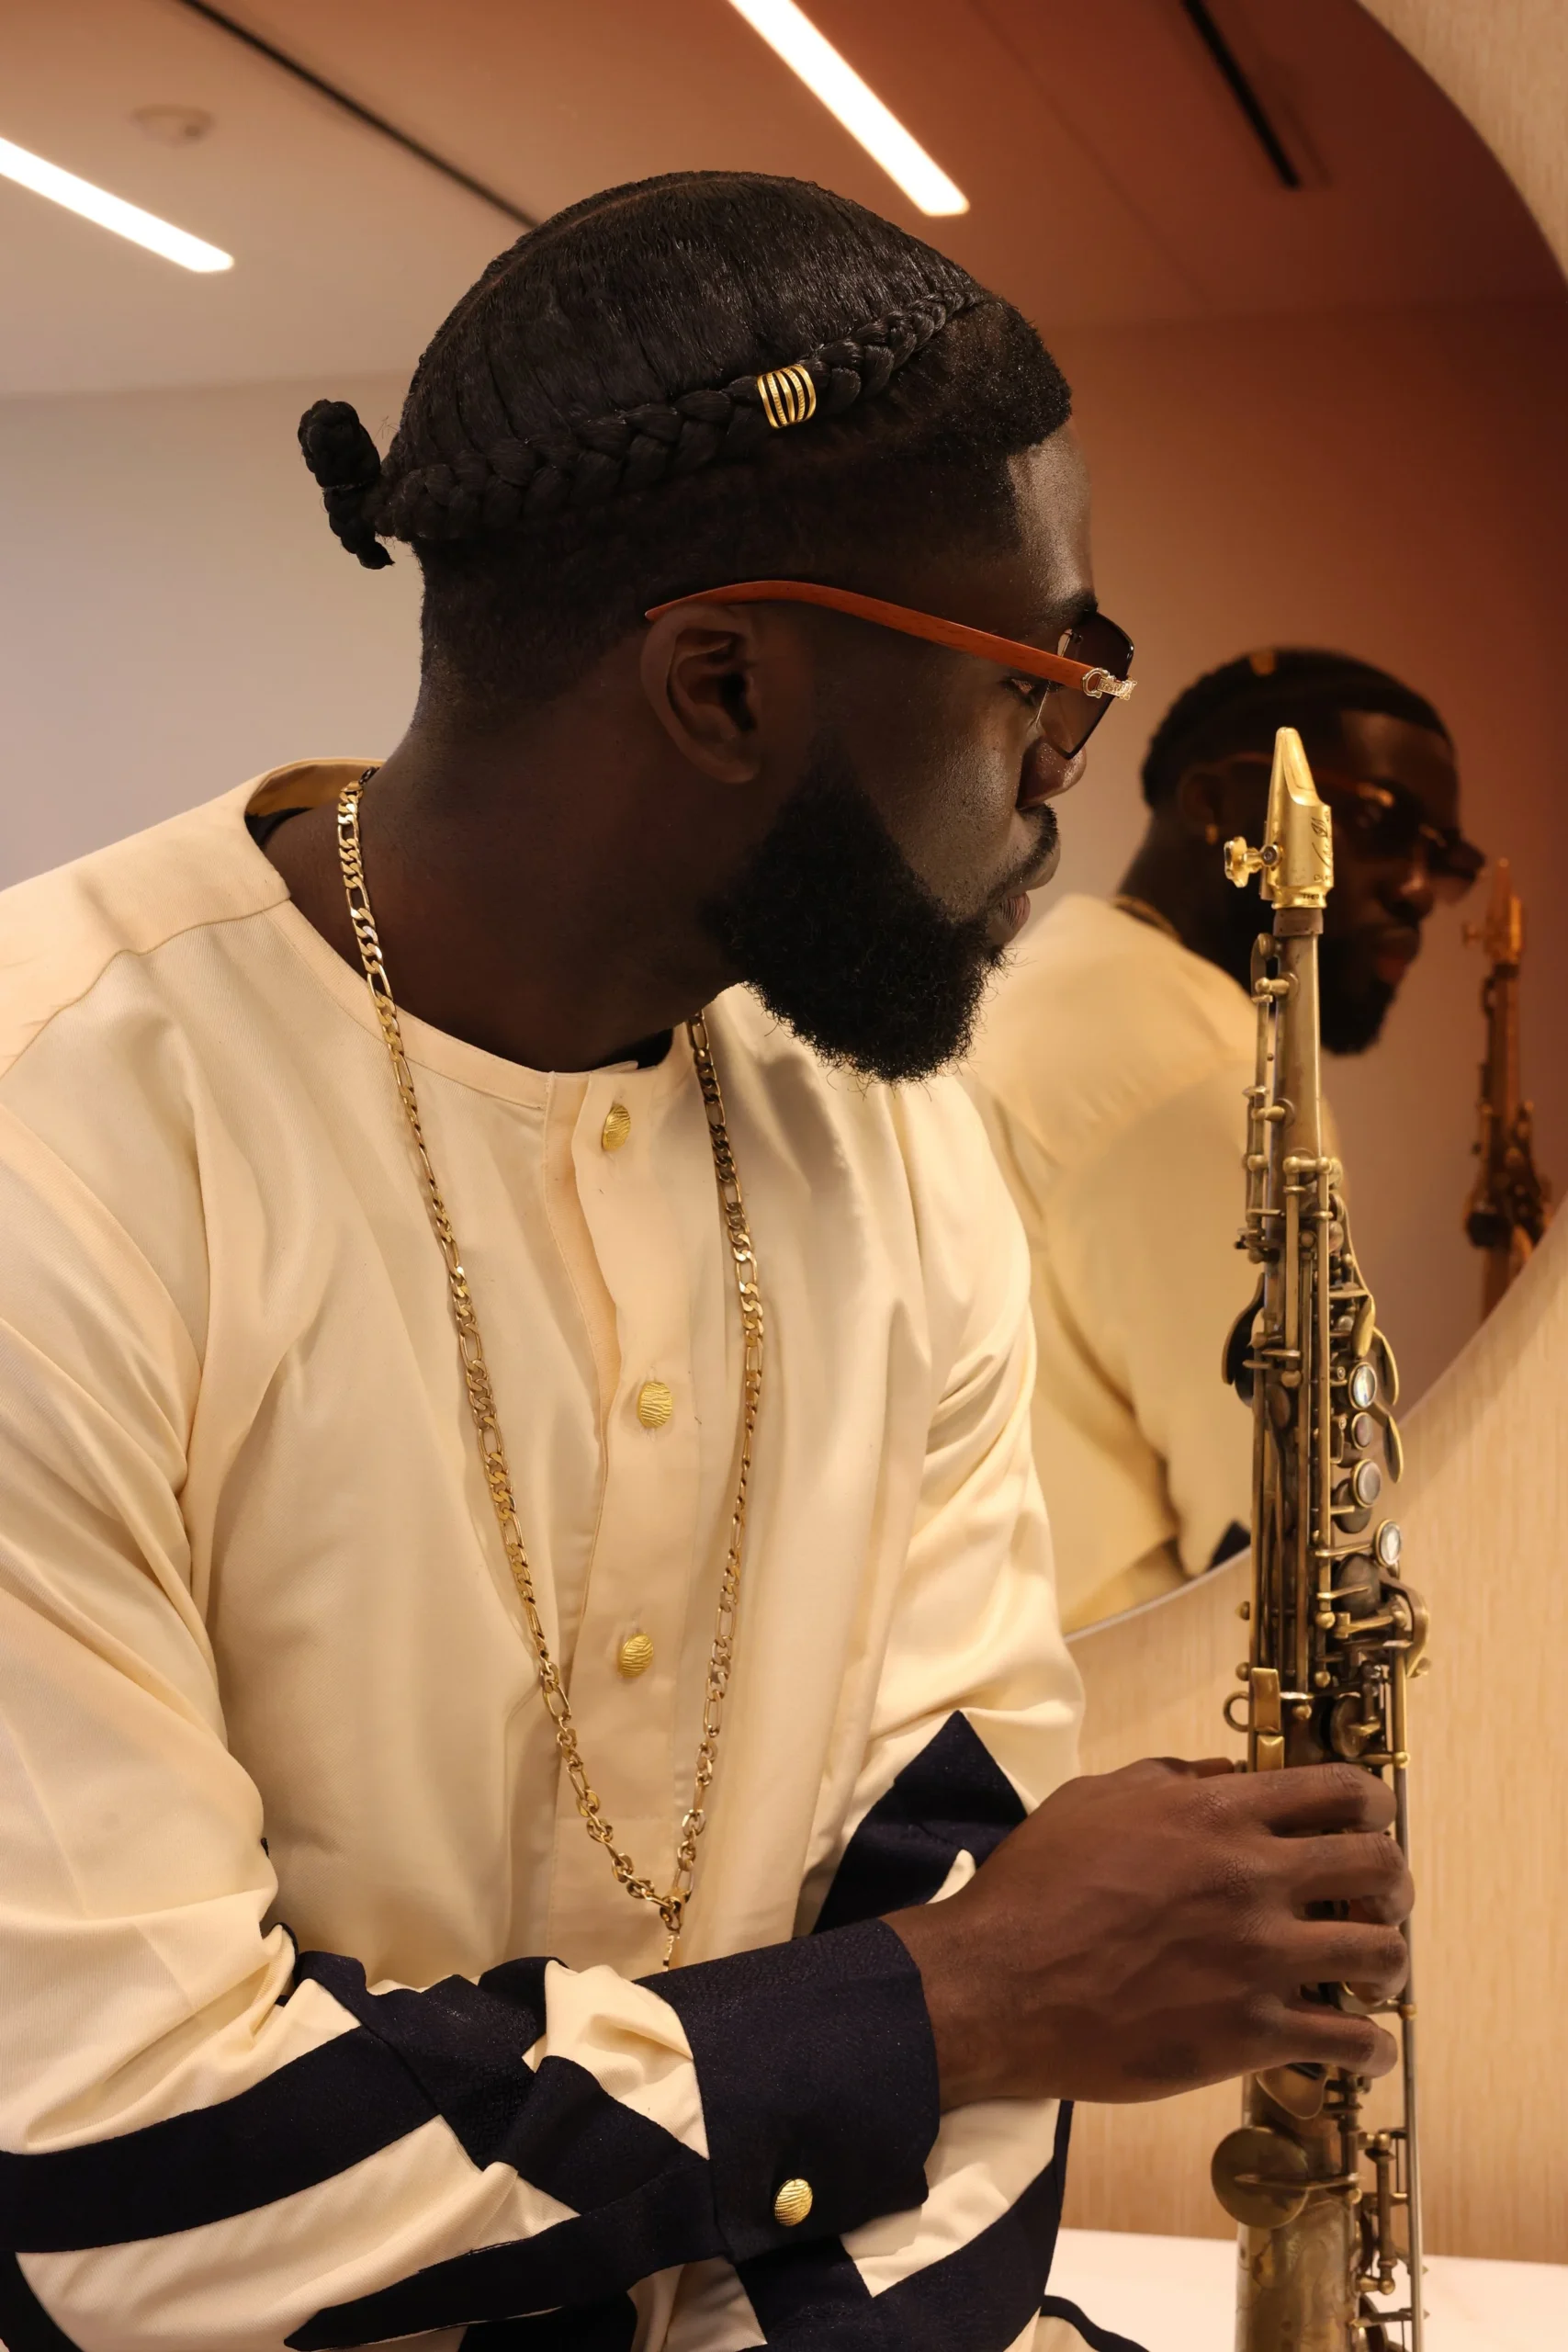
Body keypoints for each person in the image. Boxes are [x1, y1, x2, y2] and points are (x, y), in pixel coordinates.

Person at [0, 180, 1412, 2352]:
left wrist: (947, 2002)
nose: (1060, 784)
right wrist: (948, 2000)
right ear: (725, 682)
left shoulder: (893, 1140)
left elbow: (959, 1900)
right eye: (1037, 688)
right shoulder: (56, 1139)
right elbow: (132, 2176)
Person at [968, 648, 1481, 1634]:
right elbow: (1280, 1540)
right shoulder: (1201, 1071)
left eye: (1447, 862)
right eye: (1379, 822)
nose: (1420, 888)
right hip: (1126, 1698)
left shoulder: (1051, 980)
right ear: (1214, 804)